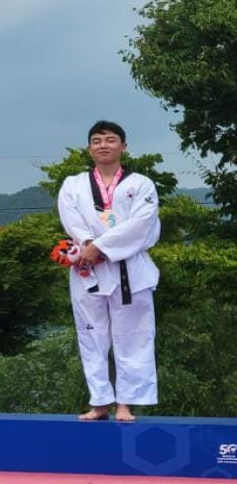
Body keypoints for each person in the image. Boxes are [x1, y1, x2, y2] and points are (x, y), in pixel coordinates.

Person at [57, 121, 159, 422]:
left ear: (123, 146)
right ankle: (100, 402)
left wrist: (100, 246)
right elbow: (70, 219)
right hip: (89, 270)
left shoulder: (141, 184)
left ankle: (126, 403)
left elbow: (141, 224)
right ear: (89, 149)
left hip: (130, 270)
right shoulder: (72, 185)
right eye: (97, 140)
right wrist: (87, 245)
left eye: (110, 140)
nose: (103, 145)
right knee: (91, 336)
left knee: (134, 336)